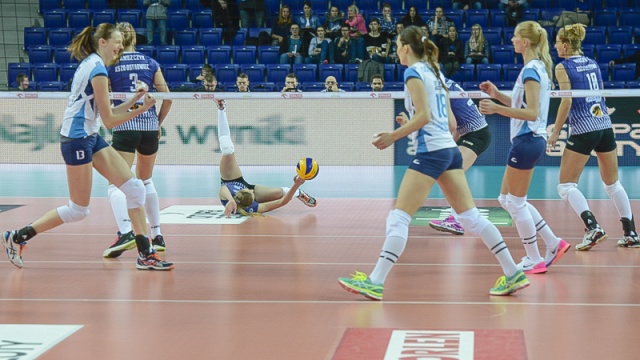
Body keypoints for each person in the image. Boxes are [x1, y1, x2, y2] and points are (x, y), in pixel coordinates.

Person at [338, 26, 530, 300]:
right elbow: (449, 123)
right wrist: (412, 125)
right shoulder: (436, 73)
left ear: (406, 48)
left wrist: (394, 135)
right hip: (449, 150)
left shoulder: (414, 72)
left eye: (397, 45)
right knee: (471, 218)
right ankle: (512, 273)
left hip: (432, 152)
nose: (395, 50)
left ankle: (376, 281)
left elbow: (426, 115)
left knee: (398, 217)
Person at [1, 24, 174, 270]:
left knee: (135, 189)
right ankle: (18, 236)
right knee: (78, 210)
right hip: (77, 140)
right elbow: (110, 120)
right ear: (102, 41)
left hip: (90, 135)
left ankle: (146, 254)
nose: (120, 47)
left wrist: (137, 102)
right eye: (117, 41)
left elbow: (108, 113)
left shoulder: (95, 64)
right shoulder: (98, 70)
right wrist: (141, 108)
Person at [478, 21, 565, 274]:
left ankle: (533, 257)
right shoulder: (534, 68)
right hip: (526, 141)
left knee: (515, 203)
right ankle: (552, 242)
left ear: (525, 42)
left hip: (528, 141)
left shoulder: (531, 70)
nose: (512, 41)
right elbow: (521, 103)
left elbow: (532, 112)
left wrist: (496, 109)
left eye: (515, 37)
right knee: (505, 199)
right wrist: (497, 95)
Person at [550, 23, 639, 249]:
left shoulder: (563, 66)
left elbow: (567, 100)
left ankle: (593, 228)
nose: (555, 46)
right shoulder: (592, 63)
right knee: (612, 184)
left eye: (558, 42)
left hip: (582, 129)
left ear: (566, 45)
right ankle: (631, 233)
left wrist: (556, 131)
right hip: (604, 126)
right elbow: (600, 96)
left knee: (566, 186)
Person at [103, 22, 173, 258]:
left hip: (125, 125)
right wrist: (158, 123)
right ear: (134, 39)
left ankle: (126, 232)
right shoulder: (150, 62)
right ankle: (157, 235)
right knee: (146, 181)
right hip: (149, 128)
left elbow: (105, 97)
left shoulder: (111, 64)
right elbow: (168, 97)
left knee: (116, 184)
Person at [215, 99, 317, 217]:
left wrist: (231, 200)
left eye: (250, 191)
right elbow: (282, 202)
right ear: (253, 201)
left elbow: (223, 189)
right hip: (242, 196)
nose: (251, 190)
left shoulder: (230, 194)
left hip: (230, 179)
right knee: (280, 193)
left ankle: (221, 109)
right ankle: (299, 193)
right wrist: (297, 185)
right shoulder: (253, 208)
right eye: (252, 194)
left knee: (227, 148)